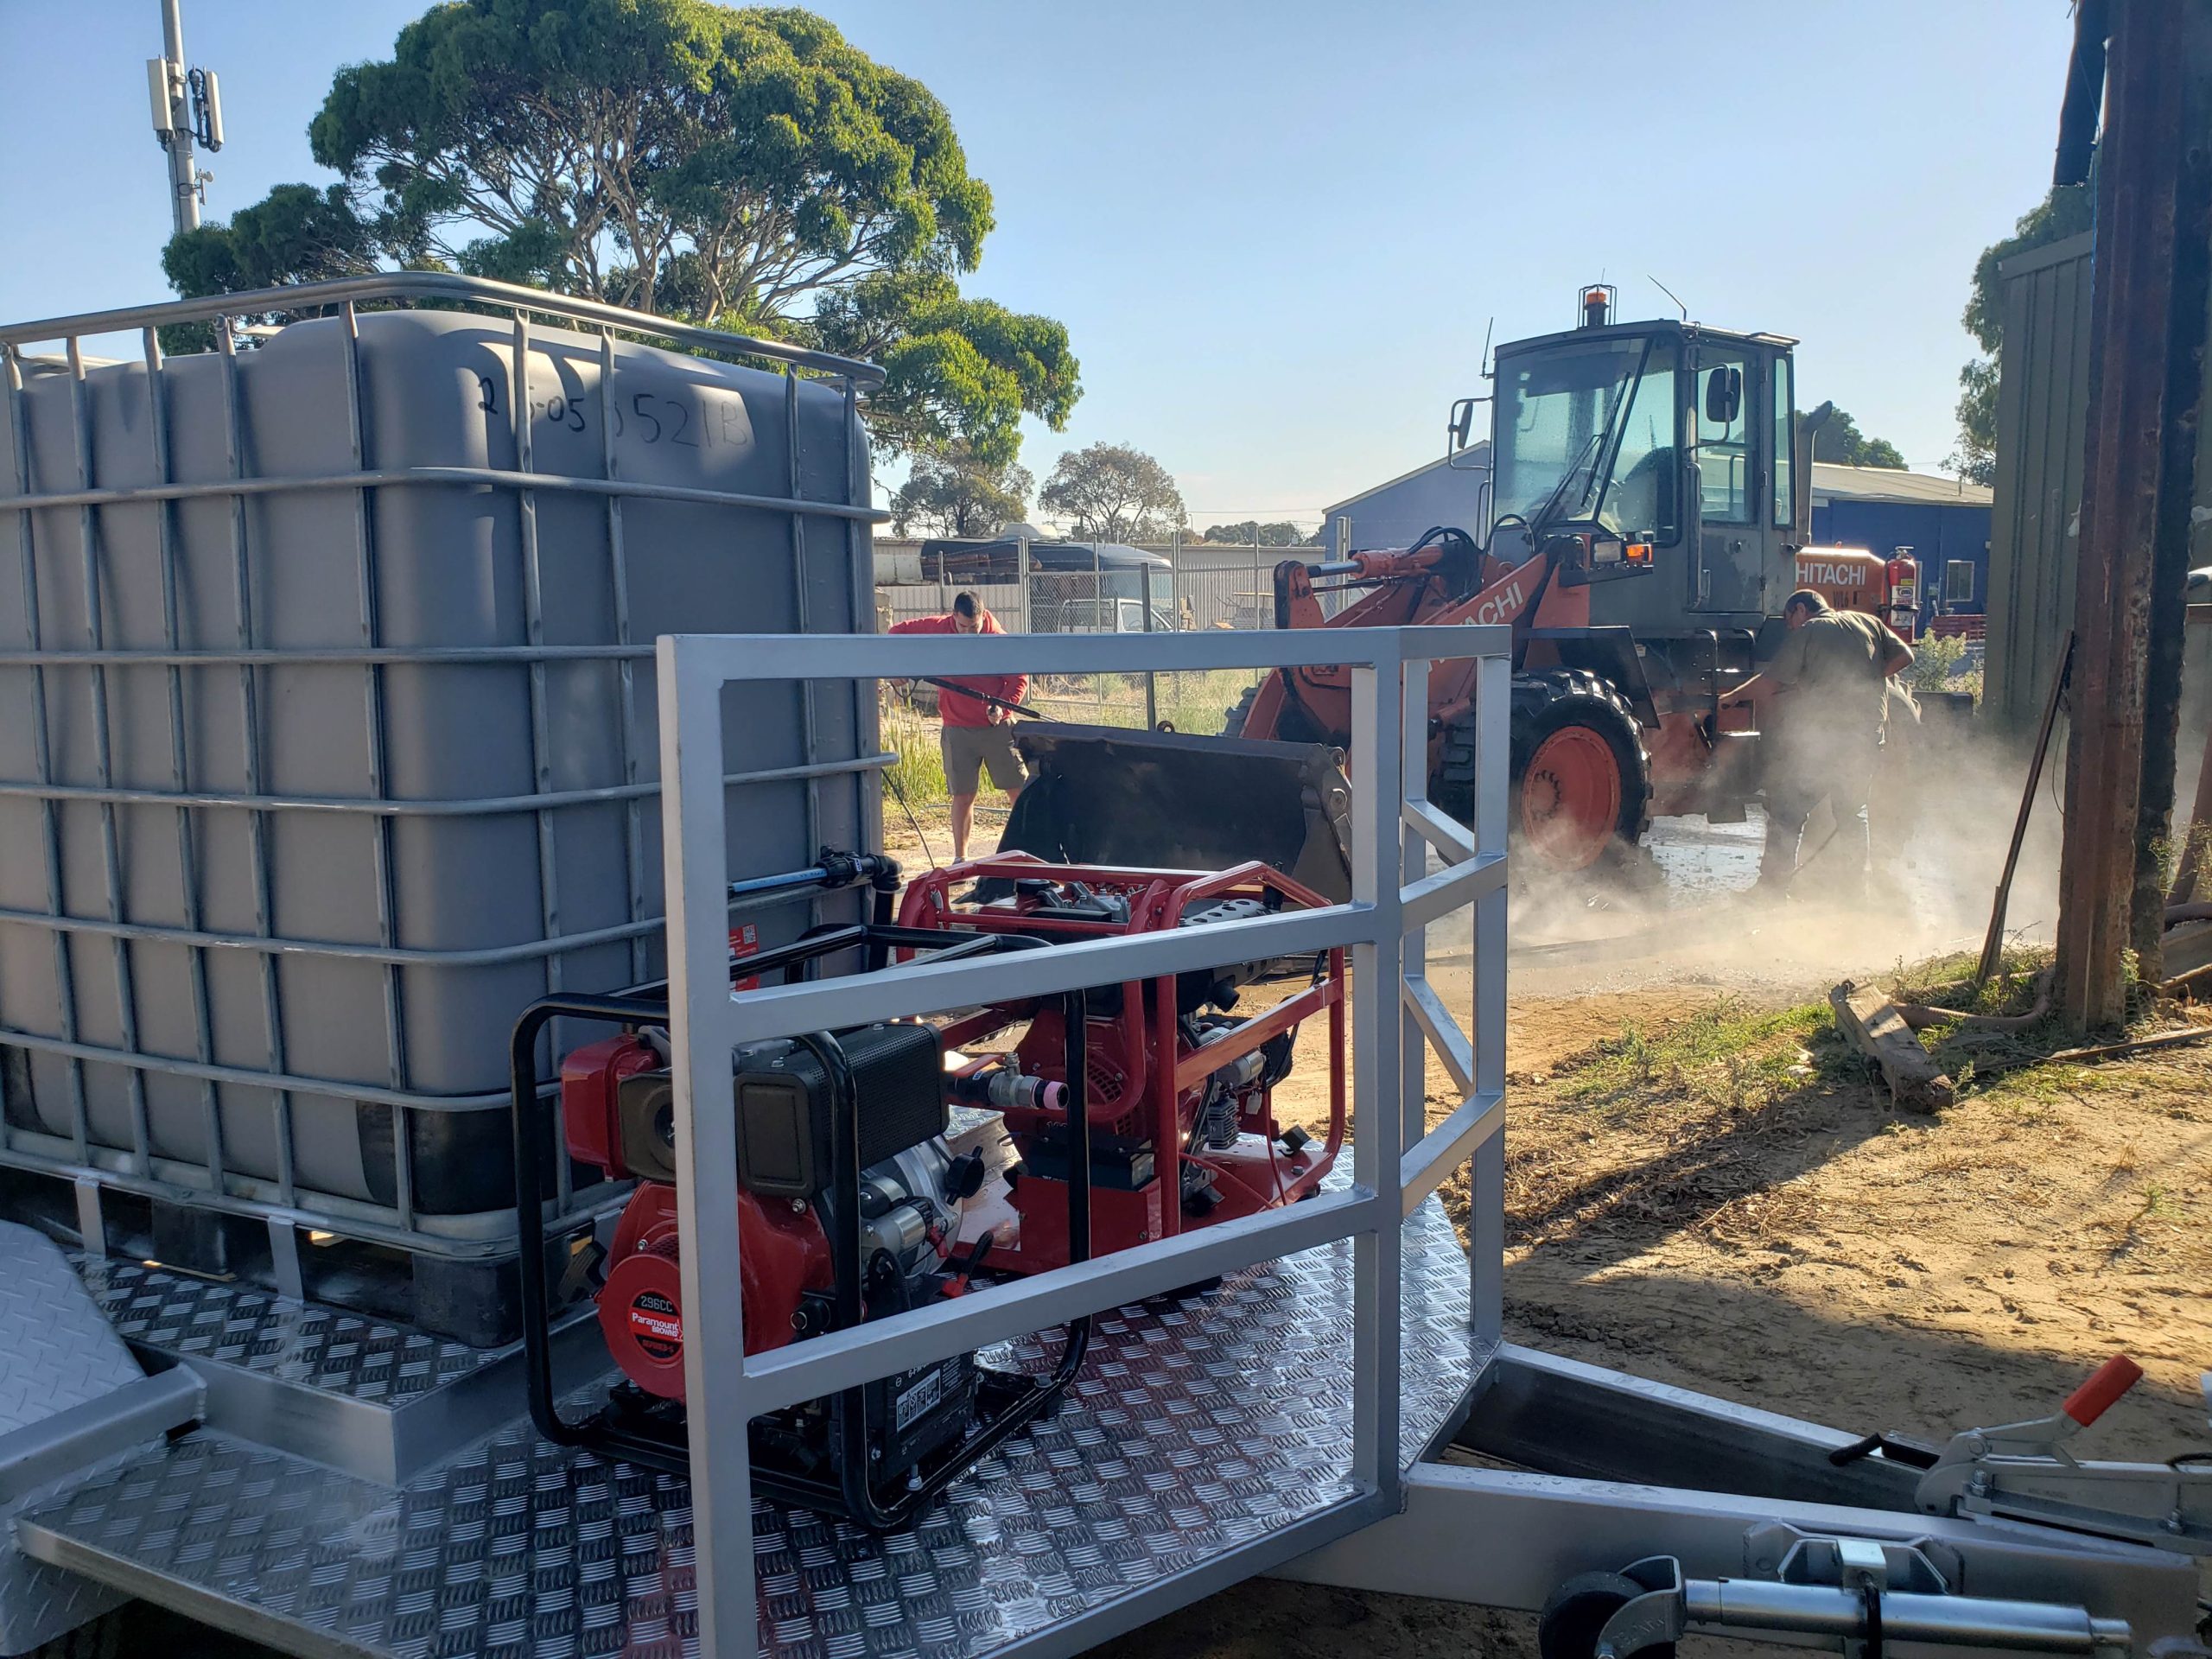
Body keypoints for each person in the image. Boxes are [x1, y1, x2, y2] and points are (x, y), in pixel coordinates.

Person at [1758, 588, 1915, 895]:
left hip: (1830, 741)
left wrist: (1733, 697)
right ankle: (1854, 893)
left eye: (1789, 620)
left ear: (1800, 610)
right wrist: (1870, 677)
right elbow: (1906, 655)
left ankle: (1771, 890)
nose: (1790, 627)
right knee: (1852, 814)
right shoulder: (1868, 621)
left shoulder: (1810, 631)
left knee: (1788, 811)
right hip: (1867, 739)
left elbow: (1772, 680)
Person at [889, 591, 1028, 860]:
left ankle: (1024, 851)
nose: (968, 633)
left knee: (1017, 791)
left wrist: (1002, 706)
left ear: (983, 616)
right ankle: (960, 858)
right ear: (954, 617)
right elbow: (896, 632)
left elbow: (1018, 678)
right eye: (963, 627)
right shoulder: (937, 628)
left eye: (974, 627)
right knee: (963, 795)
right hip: (956, 728)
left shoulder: (998, 639)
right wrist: (898, 667)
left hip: (996, 728)